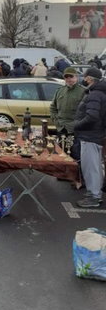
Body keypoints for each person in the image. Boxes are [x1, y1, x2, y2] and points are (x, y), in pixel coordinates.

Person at [73, 67, 106, 208]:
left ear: (90, 78)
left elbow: (92, 116)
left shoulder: (95, 94)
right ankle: (95, 194)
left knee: (91, 168)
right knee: (95, 167)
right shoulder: (98, 93)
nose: (83, 79)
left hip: (90, 135)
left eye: (85, 77)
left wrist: (77, 125)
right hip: (95, 134)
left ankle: (94, 196)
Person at [50, 67, 85, 158]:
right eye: (67, 77)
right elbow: (53, 107)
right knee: (62, 154)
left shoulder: (83, 91)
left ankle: (77, 171)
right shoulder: (60, 91)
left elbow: (86, 111)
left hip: (75, 130)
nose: (69, 79)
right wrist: (55, 120)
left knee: (75, 155)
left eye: (71, 77)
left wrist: (79, 124)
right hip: (61, 128)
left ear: (76, 77)